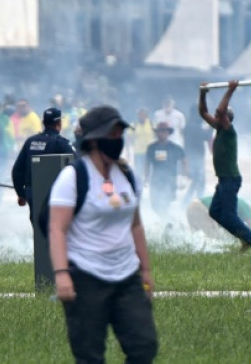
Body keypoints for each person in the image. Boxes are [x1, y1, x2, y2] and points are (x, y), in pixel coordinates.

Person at [48, 105, 158, 364]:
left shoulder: (127, 175)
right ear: (95, 140)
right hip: (86, 277)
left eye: (120, 134)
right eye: (112, 135)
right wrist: (62, 274)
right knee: (90, 355)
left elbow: (136, 226)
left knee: (144, 345)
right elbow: (56, 228)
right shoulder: (73, 177)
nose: (117, 140)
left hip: (127, 276)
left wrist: (145, 270)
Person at [199, 80, 251, 253]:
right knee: (215, 212)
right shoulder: (218, 128)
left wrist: (230, 90)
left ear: (226, 119)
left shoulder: (229, 131)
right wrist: (203, 93)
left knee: (229, 216)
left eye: (219, 116)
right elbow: (203, 111)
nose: (216, 116)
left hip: (231, 179)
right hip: (223, 180)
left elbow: (221, 110)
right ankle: (245, 238)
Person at [11, 107, 75, 218]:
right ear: (59, 123)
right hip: (55, 195)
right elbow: (76, 167)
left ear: (43, 122)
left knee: (38, 229)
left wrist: (21, 194)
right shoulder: (61, 143)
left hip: (32, 194)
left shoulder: (30, 142)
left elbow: (17, 171)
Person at [144, 122, 187, 219]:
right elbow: (147, 163)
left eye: (164, 131)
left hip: (170, 180)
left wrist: (183, 176)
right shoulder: (152, 148)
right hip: (155, 180)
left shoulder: (175, 147)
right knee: (154, 205)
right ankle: (170, 221)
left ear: (168, 133)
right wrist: (146, 178)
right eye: (160, 131)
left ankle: (170, 223)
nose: (162, 134)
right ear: (157, 133)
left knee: (165, 203)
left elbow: (184, 161)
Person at [186, 195, 251, 240]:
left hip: (192, 207)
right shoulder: (246, 207)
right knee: (213, 238)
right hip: (200, 208)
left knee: (196, 237)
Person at [181, 103, 212, 204]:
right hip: (195, 158)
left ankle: (189, 202)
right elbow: (206, 136)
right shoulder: (193, 126)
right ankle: (194, 202)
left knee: (196, 181)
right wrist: (212, 126)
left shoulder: (188, 125)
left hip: (192, 157)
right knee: (199, 181)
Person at [129, 107, 155, 174]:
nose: (142, 116)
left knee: (150, 168)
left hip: (150, 151)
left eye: (143, 114)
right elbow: (129, 137)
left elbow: (156, 136)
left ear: (146, 115)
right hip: (138, 151)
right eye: (140, 114)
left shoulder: (151, 124)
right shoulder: (133, 125)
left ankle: (148, 182)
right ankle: (140, 182)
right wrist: (128, 150)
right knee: (138, 169)